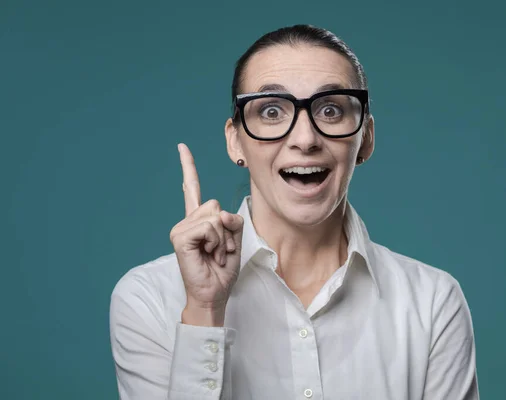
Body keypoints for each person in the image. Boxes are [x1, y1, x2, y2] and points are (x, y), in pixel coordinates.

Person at [109, 24, 479, 400]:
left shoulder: (432, 302)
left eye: (331, 110)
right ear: (235, 139)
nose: (305, 140)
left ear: (365, 138)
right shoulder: (149, 298)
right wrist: (205, 311)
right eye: (272, 111)